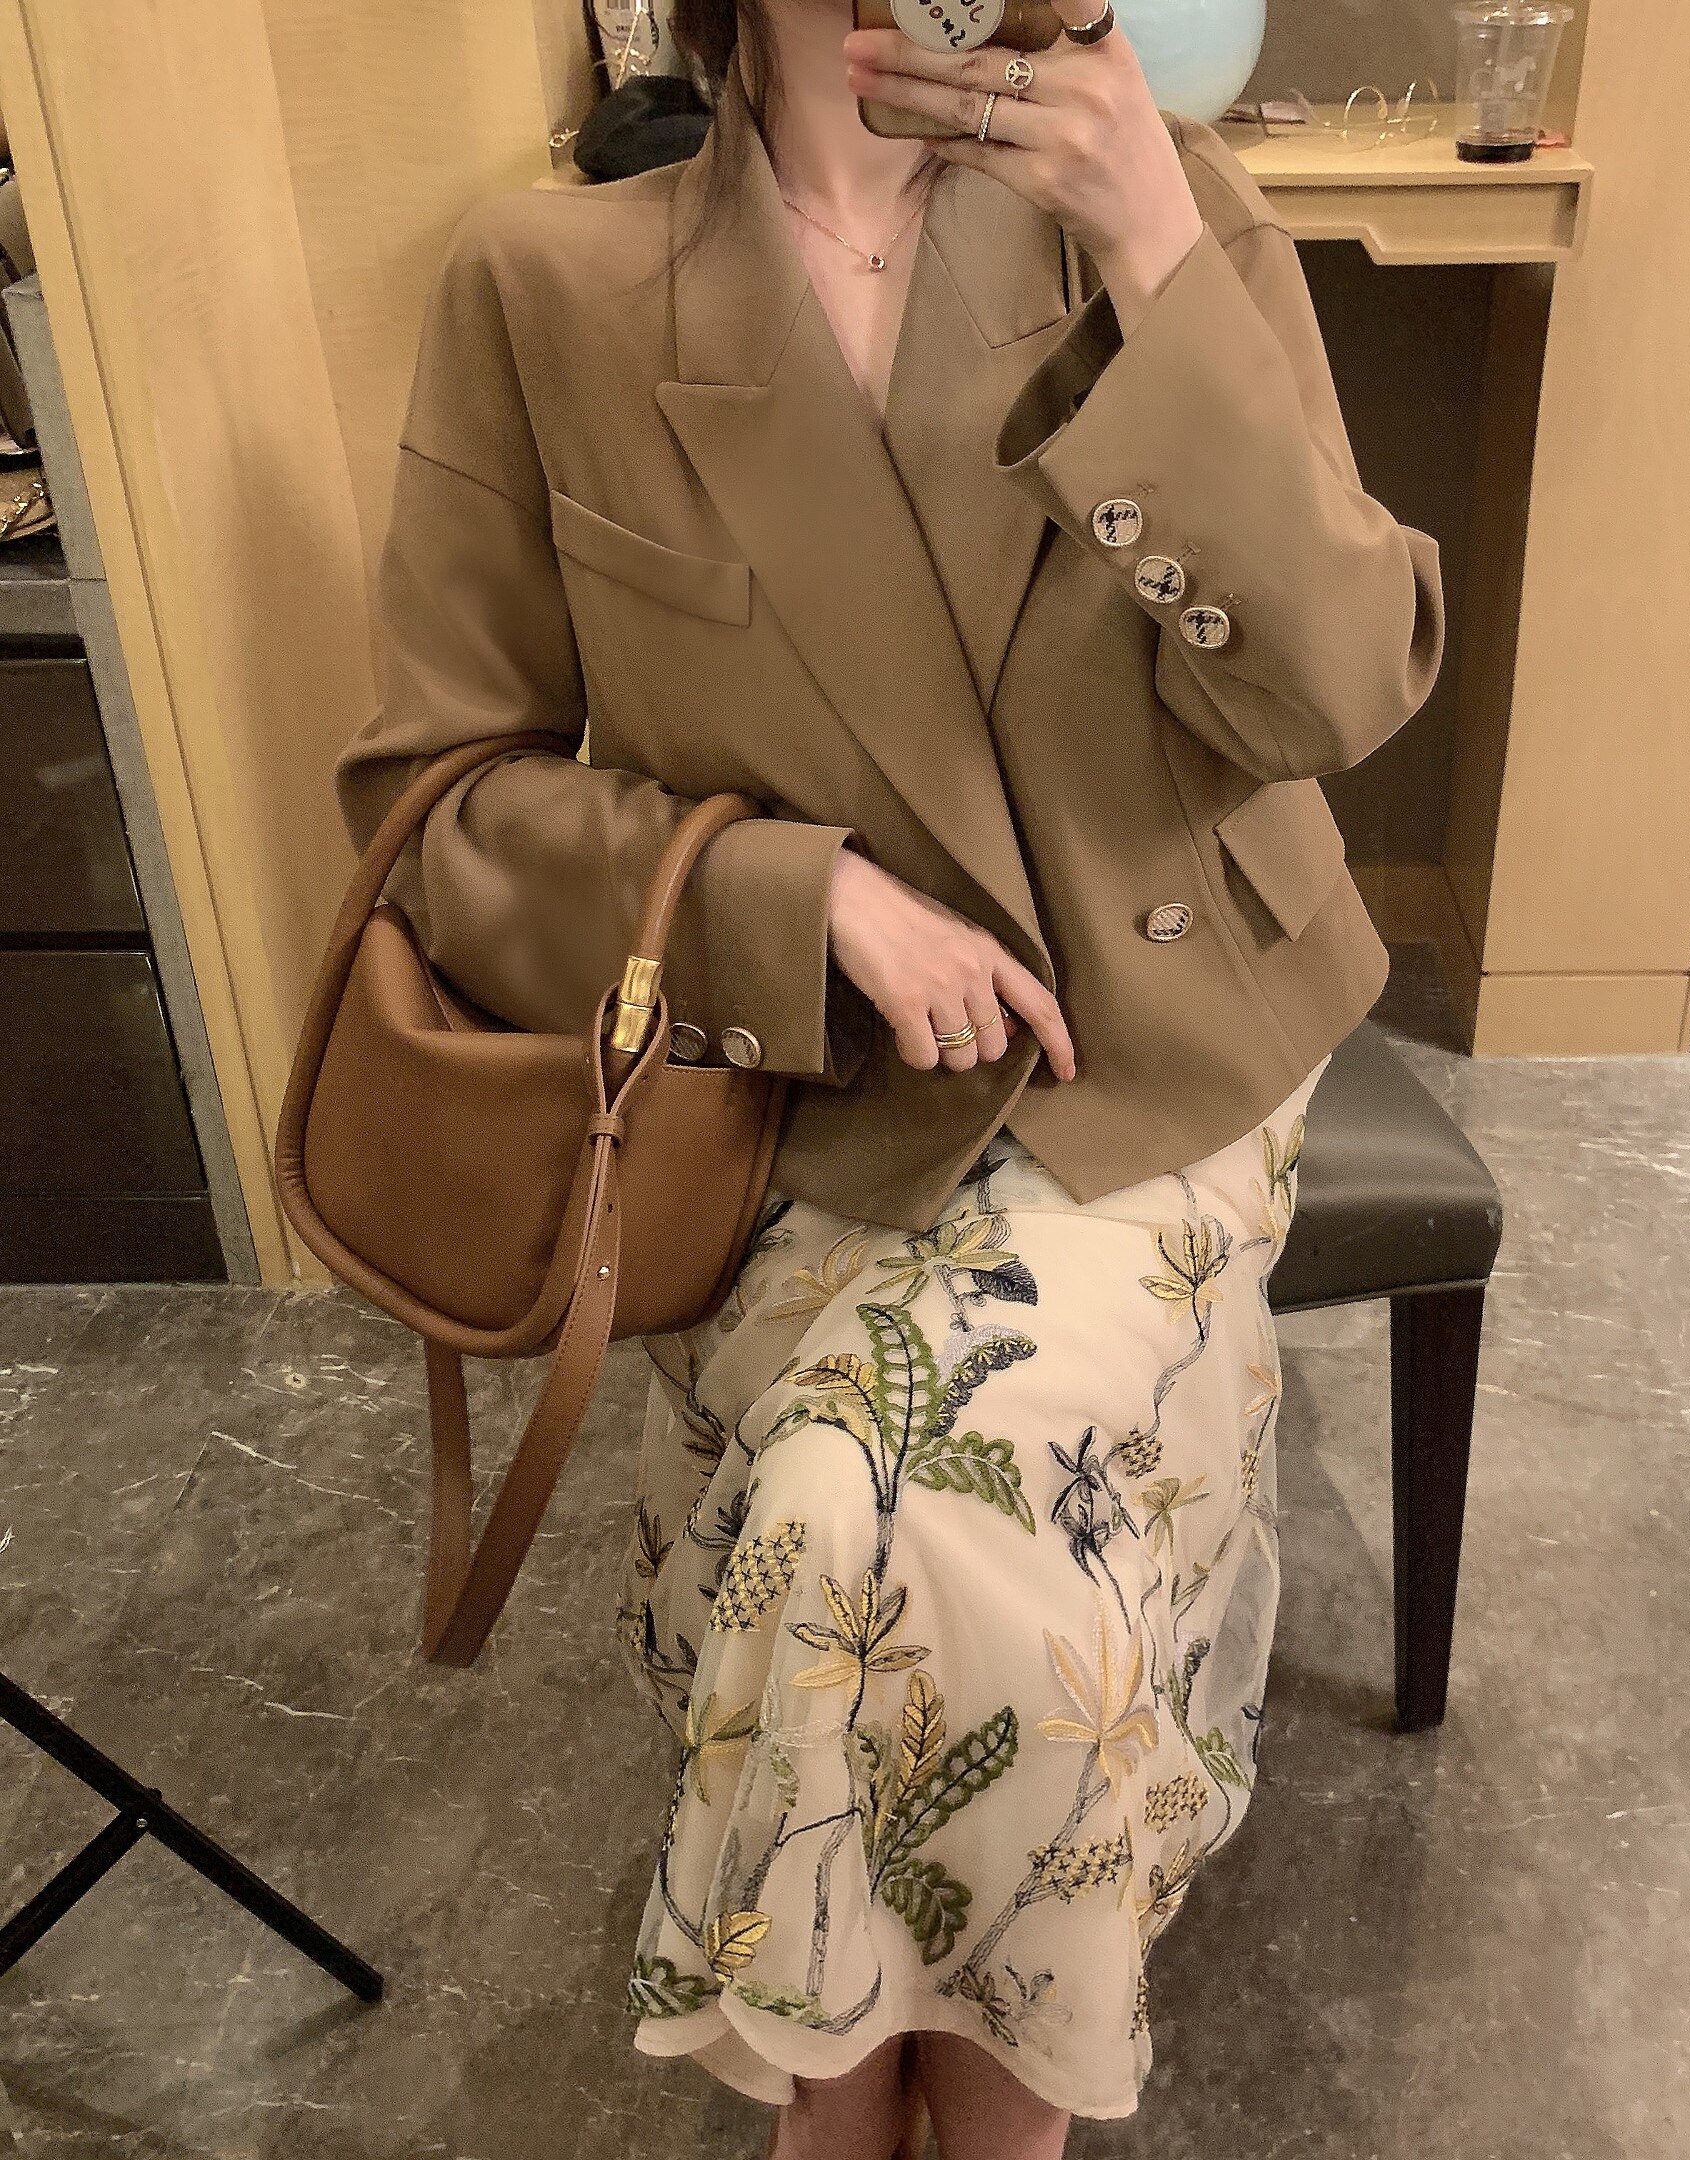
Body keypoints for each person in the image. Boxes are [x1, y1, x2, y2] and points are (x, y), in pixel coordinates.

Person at [333, 0, 1444, 2151]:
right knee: (859, 1514)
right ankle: (861, 2106)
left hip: (1151, 1073)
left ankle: (915, 2116)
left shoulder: (1162, 211)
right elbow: (435, 810)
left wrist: (1153, 249)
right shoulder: (552, 285)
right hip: (797, 1099)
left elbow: (1334, 695)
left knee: (916, 1520)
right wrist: (789, 900)